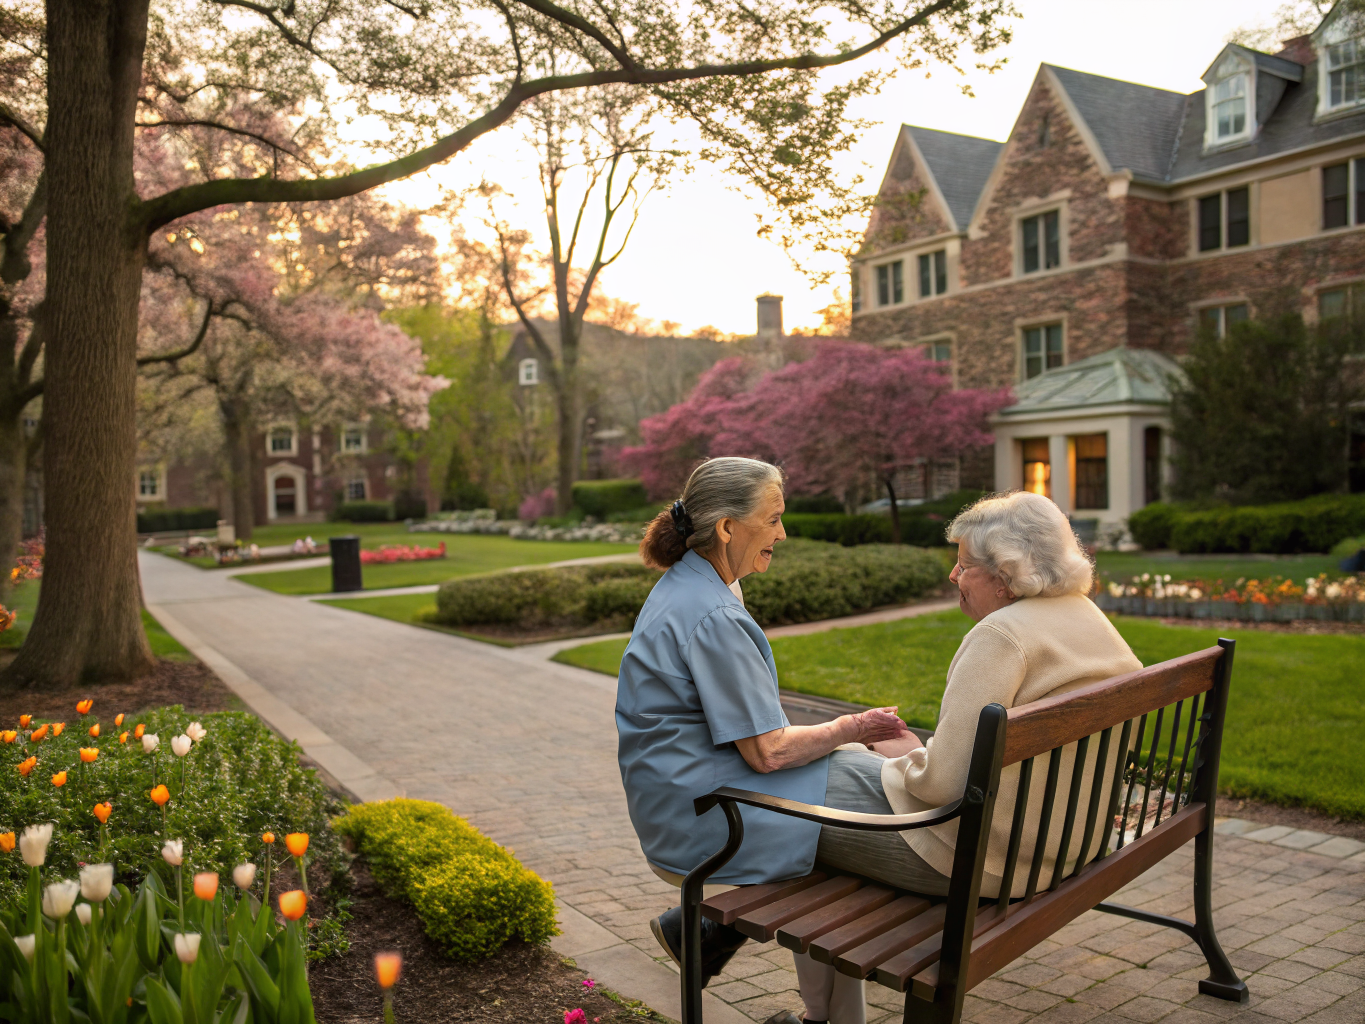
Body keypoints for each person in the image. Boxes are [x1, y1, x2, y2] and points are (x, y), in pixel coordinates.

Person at [616, 457, 909, 1024]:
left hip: (681, 792)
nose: (782, 533)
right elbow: (770, 752)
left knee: (846, 792)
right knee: (864, 825)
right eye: (773, 519)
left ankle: (715, 938)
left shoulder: (693, 582)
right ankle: (733, 946)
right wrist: (856, 727)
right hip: (700, 812)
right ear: (727, 527)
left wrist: (845, 740)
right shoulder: (713, 613)